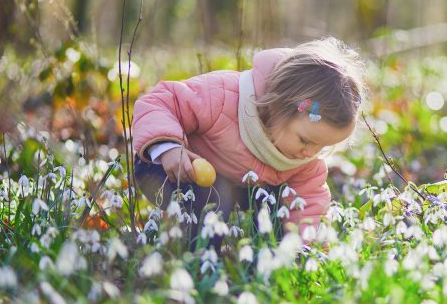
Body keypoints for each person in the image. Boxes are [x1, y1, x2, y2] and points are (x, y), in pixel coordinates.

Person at [131, 37, 366, 236]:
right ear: (278, 108)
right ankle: (199, 261)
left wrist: (303, 249)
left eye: (323, 146)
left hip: (234, 188)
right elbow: (159, 101)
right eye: (305, 140)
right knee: (211, 200)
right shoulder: (221, 97)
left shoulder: (305, 161)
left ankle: (268, 261)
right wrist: (168, 147)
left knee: (281, 203)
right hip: (168, 168)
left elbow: (308, 207)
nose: (310, 153)